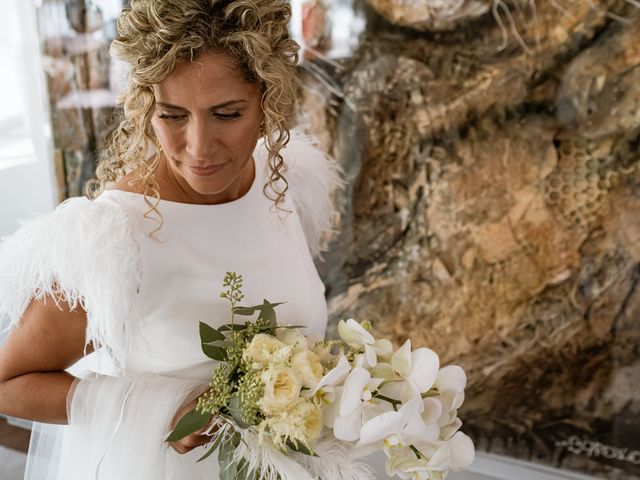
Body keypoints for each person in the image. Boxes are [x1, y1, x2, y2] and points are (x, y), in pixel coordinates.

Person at [0, 1, 341, 478]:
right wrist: (165, 408)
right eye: (172, 115)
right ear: (145, 107)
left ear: (268, 100)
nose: (199, 149)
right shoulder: (115, 235)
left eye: (227, 114)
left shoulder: (283, 182)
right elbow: (9, 383)